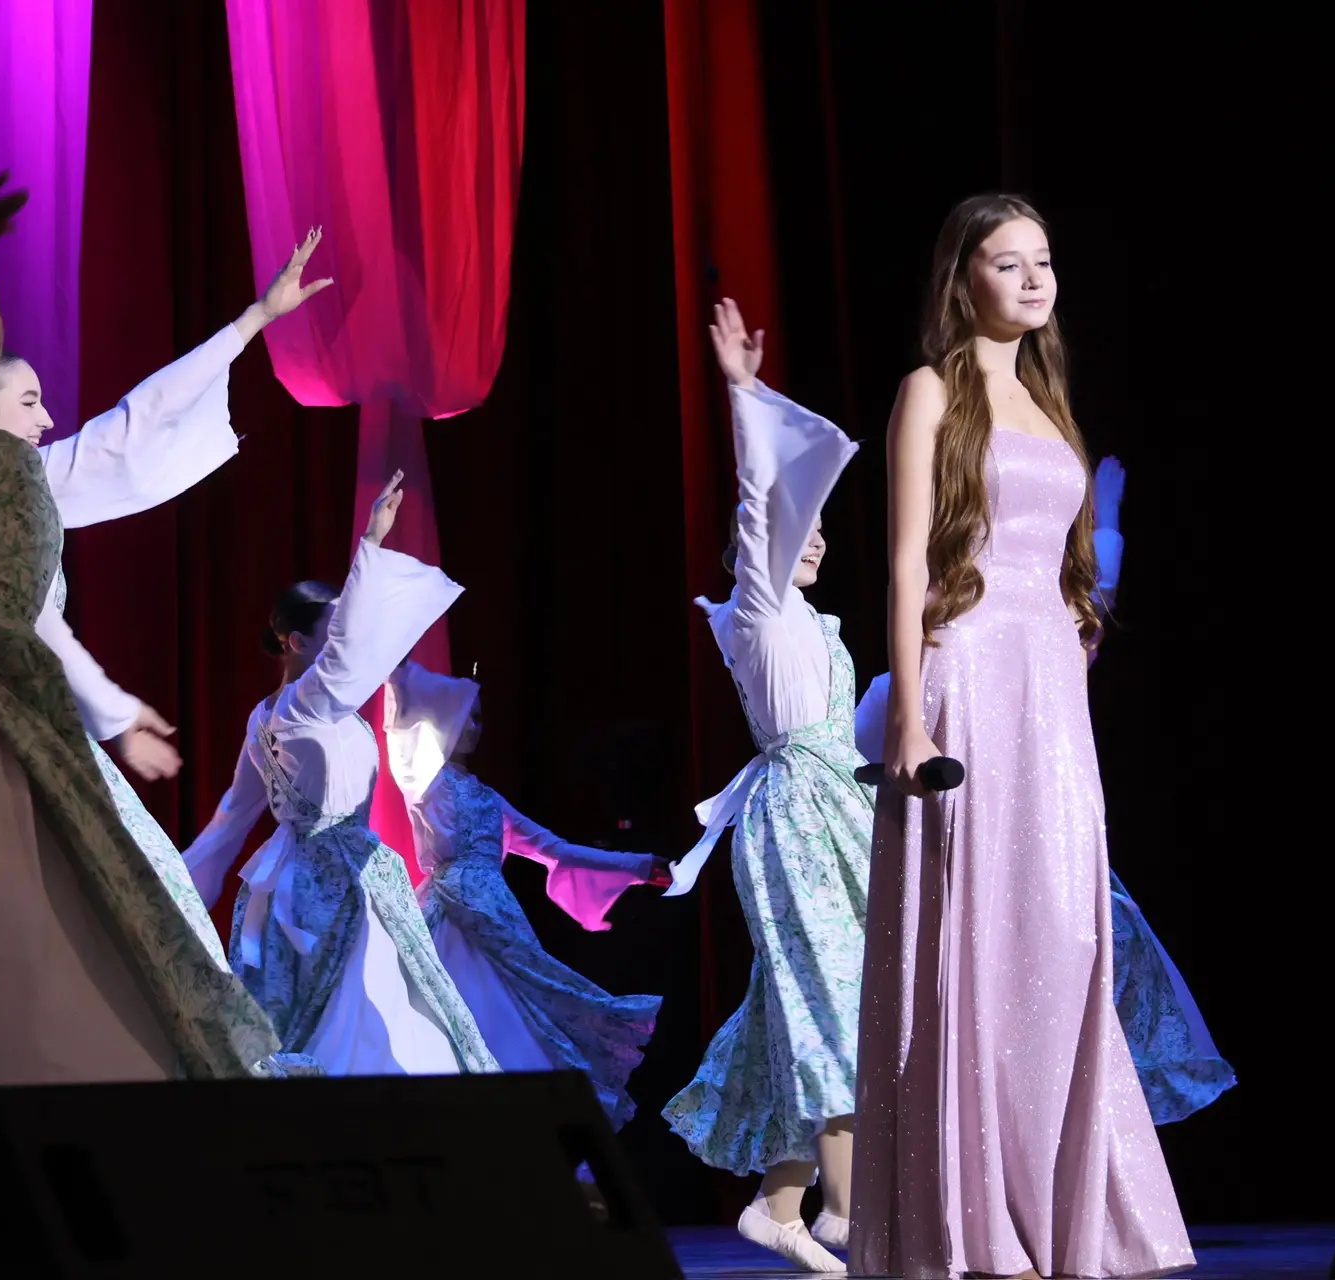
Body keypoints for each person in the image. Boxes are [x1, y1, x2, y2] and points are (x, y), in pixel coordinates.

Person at [0, 178, 281, 1135]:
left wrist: (251, 324)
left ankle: (43, 1111)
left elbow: (126, 440)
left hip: (9, 701)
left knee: (34, 907)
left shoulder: (21, 462)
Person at [852, 194, 1194, 1278]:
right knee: (977, 932)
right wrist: (909, 712)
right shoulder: (931, 389)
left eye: (1044, 259)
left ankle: (1062, 1207)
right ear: (965, 280)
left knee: (1064, 934)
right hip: (968, 673)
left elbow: (1061, 562)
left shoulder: (1050, 401)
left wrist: (1078, 628)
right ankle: (972, 1221)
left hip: (1050, 687)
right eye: (1009, 262)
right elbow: (907, 561)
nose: (1036, 278)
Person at [0, 230, 331, 972]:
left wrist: (255, 320)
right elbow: (34, 623)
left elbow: (132, 426)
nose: (46, 419)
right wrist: (115, 713)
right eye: (28, 402)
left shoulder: (31, 486)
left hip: (31, 717)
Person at [855, 454, 1236, 1129]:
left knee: (1080, 1008)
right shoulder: (912, 682)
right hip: (973, 881)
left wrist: (1106, 520)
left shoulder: (1041, 643)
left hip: (1052, 865)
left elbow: (1091, 608)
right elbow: (867, 763)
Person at [662, 300, 874, 1272]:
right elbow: (757, 505)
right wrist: (744, 396)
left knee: (822, 995)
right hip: (790, 819)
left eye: (823, 525)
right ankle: (854, 1206)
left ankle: (780, 1200)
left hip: (849, 813)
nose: (815, 538)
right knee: (829, 992)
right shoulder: (756, 607)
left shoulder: (823, 628)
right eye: (803, 525)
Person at [183, 473, 496, 1074]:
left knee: (367, 1010)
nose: (343, 648)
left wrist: (187, 877)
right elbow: (234, 812)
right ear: (297, 641)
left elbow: (231, 818)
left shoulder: (275, 713)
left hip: (304, 879)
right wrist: (370, 544)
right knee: (362, 1014)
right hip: (332, 884)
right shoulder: (307, 702)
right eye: (328, 634)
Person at [381, 659, 664, 1123]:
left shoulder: (489, 799)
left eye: (479, 718)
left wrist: (639, 867)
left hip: (497, 916)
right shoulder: (425, 780)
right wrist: (394, 666)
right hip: (449, 914)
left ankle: (517, 1130)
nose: (474, 727)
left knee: (513, 1019)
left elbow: (556, 850)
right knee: (451, 1013)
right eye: (465, 716)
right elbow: (401, 720)